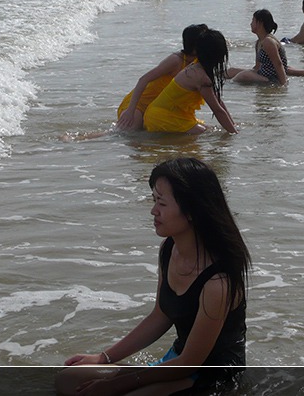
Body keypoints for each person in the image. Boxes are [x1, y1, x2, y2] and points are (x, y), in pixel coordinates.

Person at [55, 157, 250, 396]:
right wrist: (103, 358)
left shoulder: (218, 283)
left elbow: (191, 363)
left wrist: (116, 384)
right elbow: (160, 315)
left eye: (162, 203)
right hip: (176, 362)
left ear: (191, 210)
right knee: (69, 379)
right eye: (154, 200)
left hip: (211, 377)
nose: (153, 210)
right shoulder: (170, 249)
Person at [142, 28, 238, 134]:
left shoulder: (197, 66)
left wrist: (233, 125)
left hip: (161, 114)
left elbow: (218, 101)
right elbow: (217, 110)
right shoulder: (201, 77)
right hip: (163, 117)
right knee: (207, 134)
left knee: (210, 130)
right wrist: (234, 134)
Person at [116, 24, 205, 131]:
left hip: (158, 109)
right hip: (138, 104)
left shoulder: (198, 63)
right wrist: (130, 110)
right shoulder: (176, 60)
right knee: (126, 133)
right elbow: (143, 79)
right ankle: (96, 137)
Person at [226, 9, 288, 85]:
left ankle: (229, 86)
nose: (250, 24)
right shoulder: (259, 42)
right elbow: (257, 67)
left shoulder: (268, 41)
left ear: (260, 23)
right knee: (231, 71)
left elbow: (278, 64)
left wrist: (283, 84)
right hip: (262, 74)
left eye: (253, 21)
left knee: (243, 75)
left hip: (272, 79)